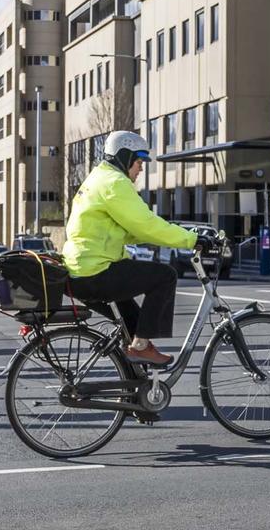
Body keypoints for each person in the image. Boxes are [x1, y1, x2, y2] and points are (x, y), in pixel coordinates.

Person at [62, 131, 212, 366]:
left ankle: (134, 385)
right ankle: (141, 347)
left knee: (132, 322)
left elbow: (130, 229)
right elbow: (146, 224)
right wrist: (192, 240)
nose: (141, 169)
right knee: (165, 276)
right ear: (124, 156)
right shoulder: (115, 182)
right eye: (139, 161)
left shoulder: (97, 178)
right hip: (95, 271)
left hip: (80, 271)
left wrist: (158, 236)